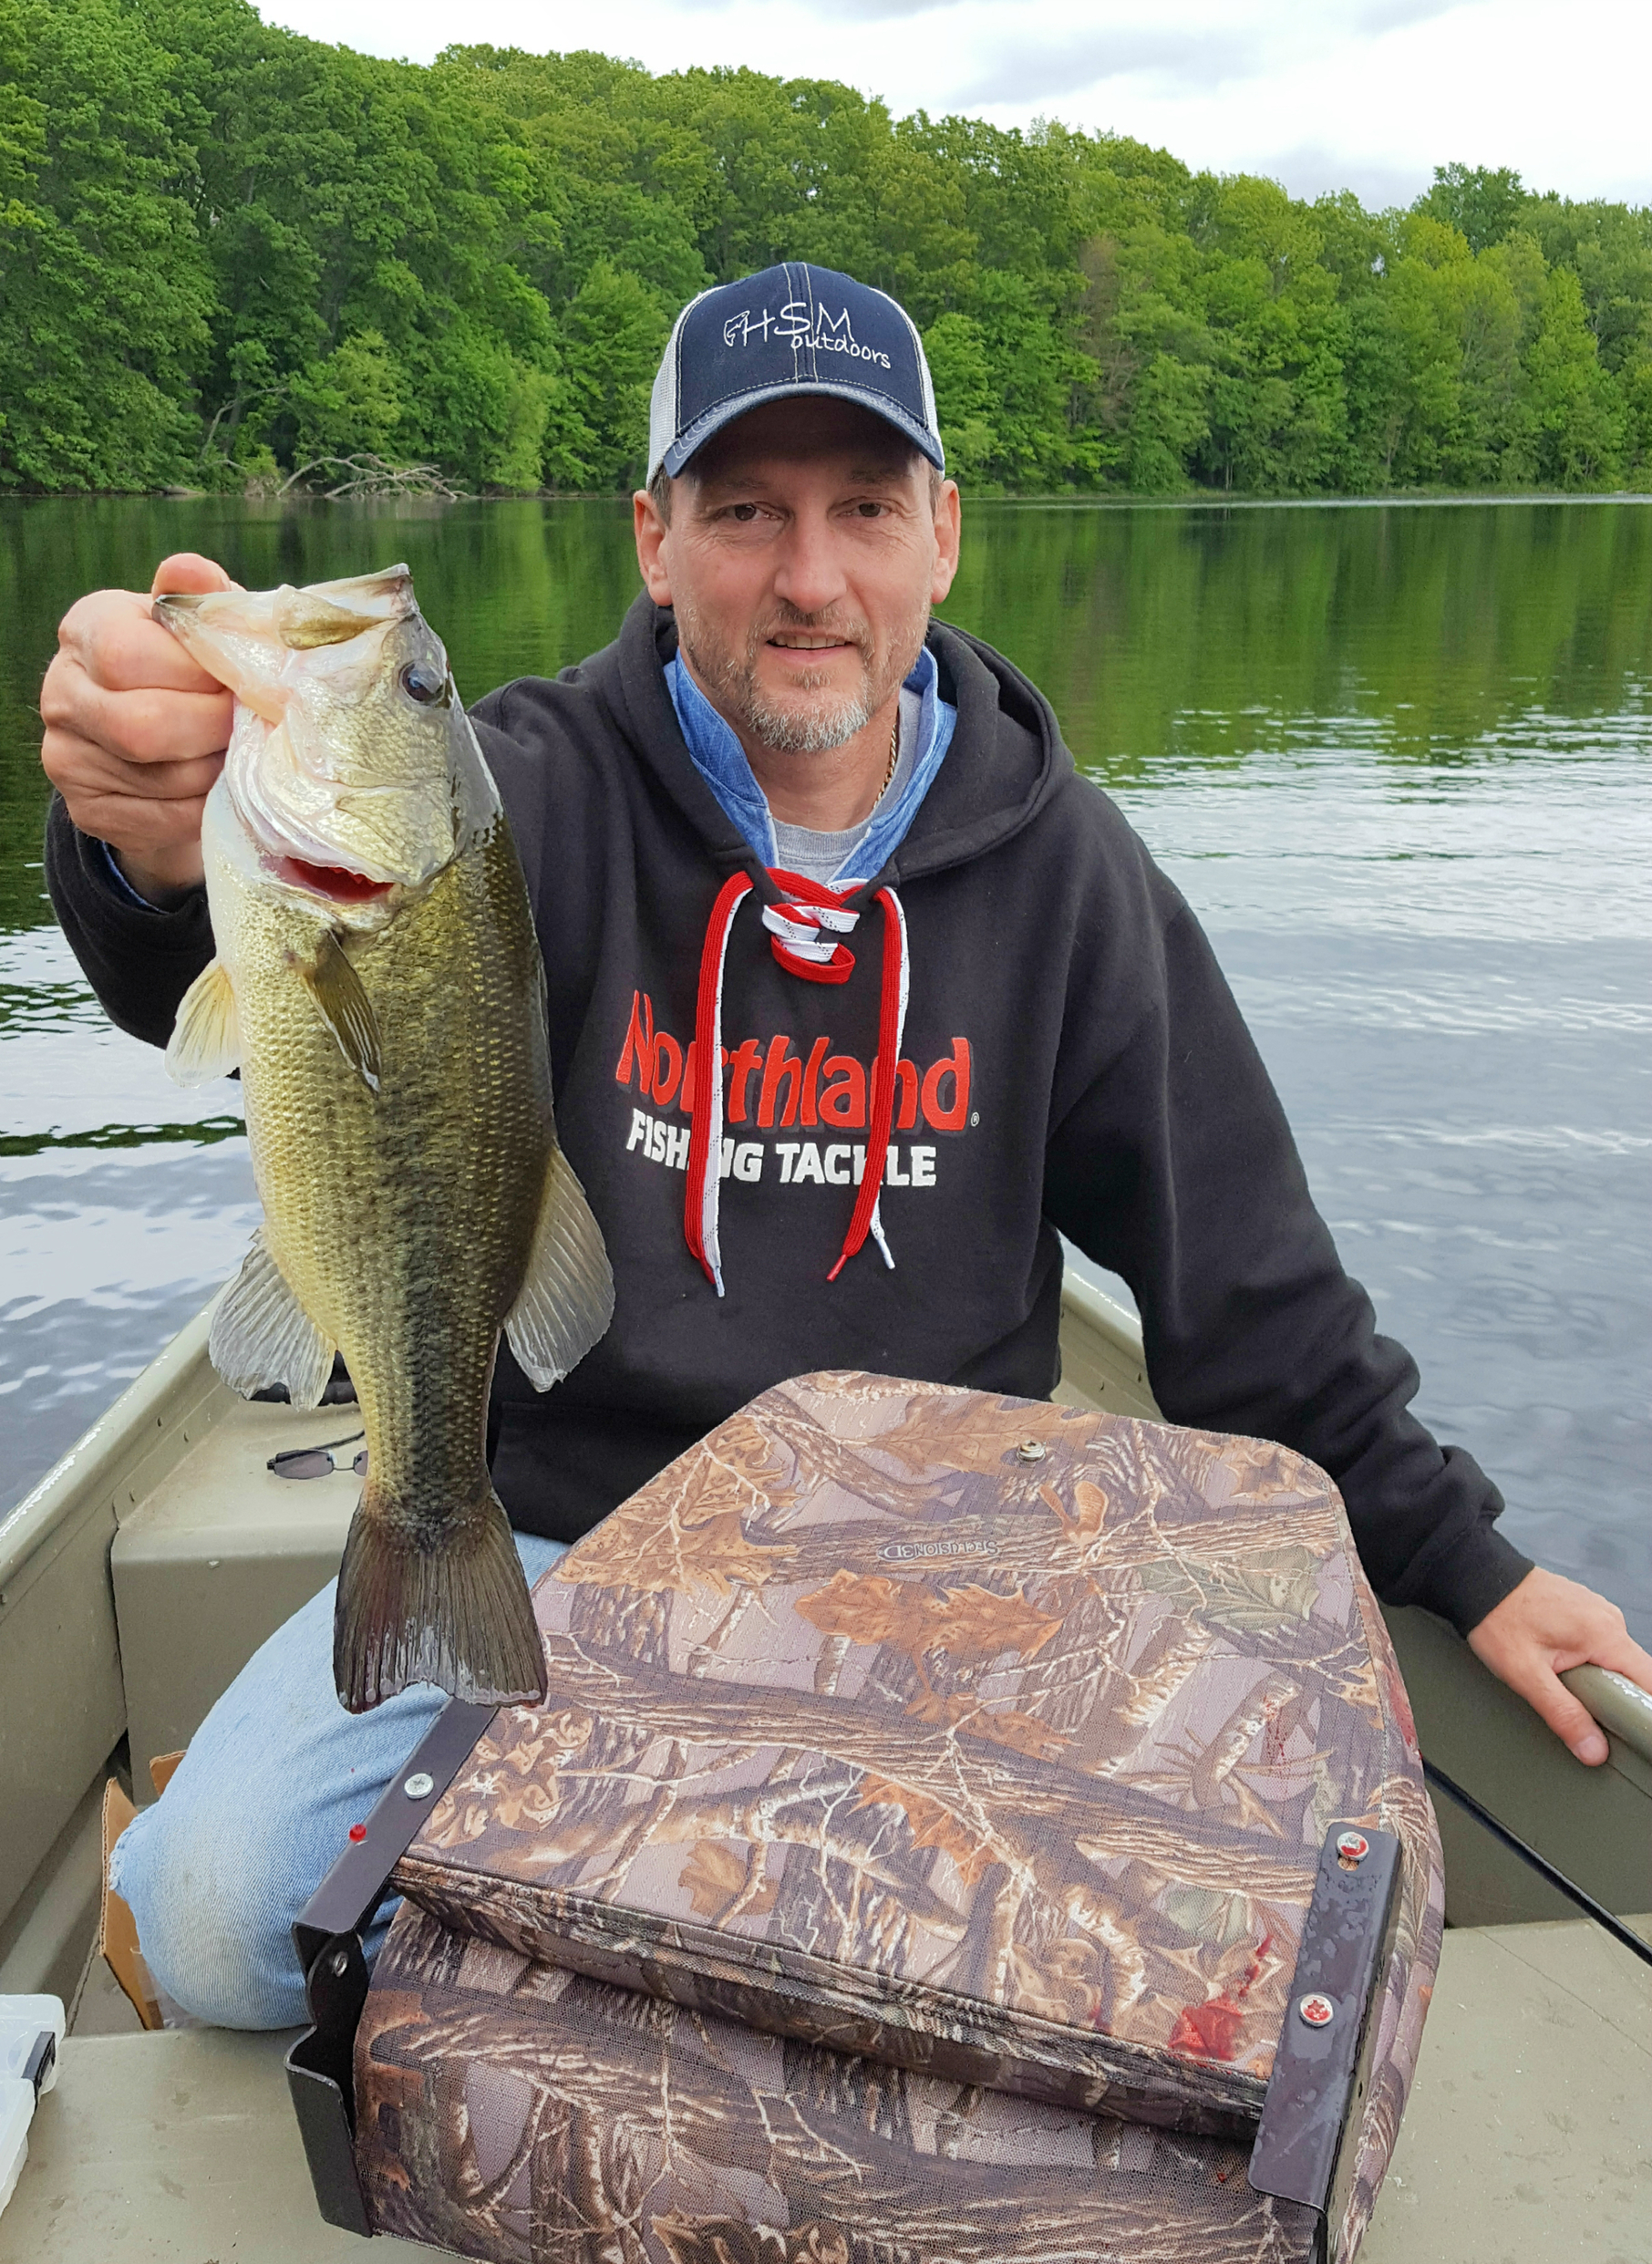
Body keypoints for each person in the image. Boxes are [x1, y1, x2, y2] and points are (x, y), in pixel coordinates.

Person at [40, 263, 1651, 2028]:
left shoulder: (1070, 881)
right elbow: (198, 960)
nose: (810, 577)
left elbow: (1251, 1299)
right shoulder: (512, 795)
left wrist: (1467, 1561)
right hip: (568, 1545)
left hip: (939, 1589)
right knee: (219, 1925)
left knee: (1185, 1973)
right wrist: (144, 846)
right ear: (652, 537)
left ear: (942, 537)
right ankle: (237, 1835)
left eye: (862, 509)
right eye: (745, 511)